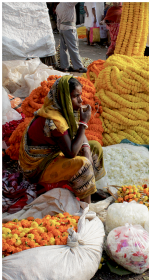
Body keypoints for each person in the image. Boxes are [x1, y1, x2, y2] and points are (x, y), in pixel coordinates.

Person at [19, 76, 106, 204]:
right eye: (76, 96)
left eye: (80, 95)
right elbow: (71, 153)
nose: (80, 100)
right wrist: (83, 123)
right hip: (38, 167)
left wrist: (86, 150)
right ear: (64, 97)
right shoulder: (54, 120)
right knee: (83, 164)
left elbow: (79, 135)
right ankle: (85, 208)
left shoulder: (65, 111)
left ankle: (90, 189)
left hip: (53, 154)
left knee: (94, 147)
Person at [56, 2, 87, 73]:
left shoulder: (58, 6)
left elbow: (58, 20)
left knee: (63, 48)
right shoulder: (68, 3)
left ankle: (64, 66)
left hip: (62, 28)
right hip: (69, 28)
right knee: (73, 47)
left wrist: (59, 29)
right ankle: (79, 67)